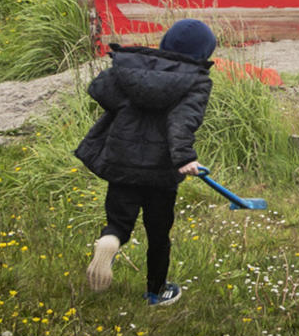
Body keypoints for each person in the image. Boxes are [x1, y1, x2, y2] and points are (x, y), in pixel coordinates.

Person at [78, 18, 215, 306]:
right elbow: (183, 121)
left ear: (165, 43)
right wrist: (184, 156)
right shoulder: (196, 80)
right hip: (161, 172)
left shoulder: (132, 65)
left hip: (122, 161)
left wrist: (129, 101)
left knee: (119, 220)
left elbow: (98, 89)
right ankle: (156, 291)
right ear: (203, 54)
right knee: (158, 233)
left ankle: (111, 239)